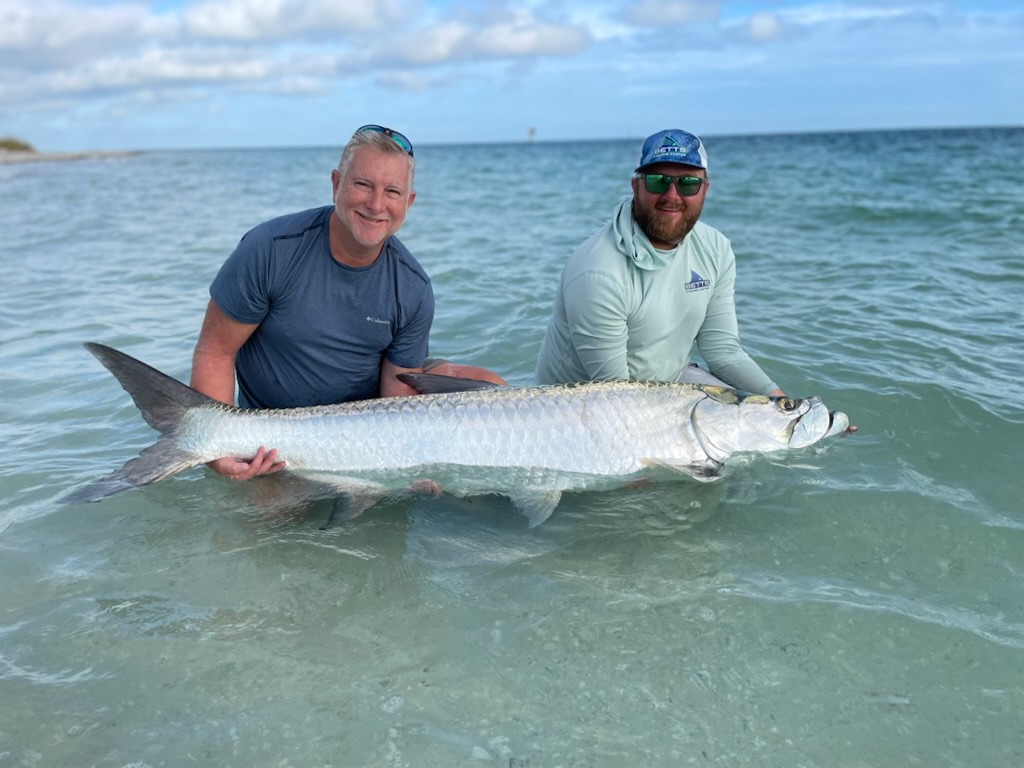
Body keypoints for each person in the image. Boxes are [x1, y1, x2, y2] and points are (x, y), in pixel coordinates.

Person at [190, 124, 504, 482]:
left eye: (392, 191)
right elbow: (215, 351)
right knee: (274, 517)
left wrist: (413, 470)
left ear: (408, 203)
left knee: (490, 391)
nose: (376, 205)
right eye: (363, 185)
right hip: (277, 429)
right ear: (336, 184)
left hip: (362, 420)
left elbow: (395, 404)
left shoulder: (413, 287)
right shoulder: (270, 249)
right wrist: (215, 450)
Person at [536, 128, 784, 396]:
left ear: (705, 189)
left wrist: (784, 405)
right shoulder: (597, 271)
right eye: (657, 181)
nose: (672, 196)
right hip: (581, 406)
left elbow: (722, 350)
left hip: (667, 382)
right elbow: (616, 393)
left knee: (776, 424)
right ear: (636, 186)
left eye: (688, 183)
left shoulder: (716, 248)